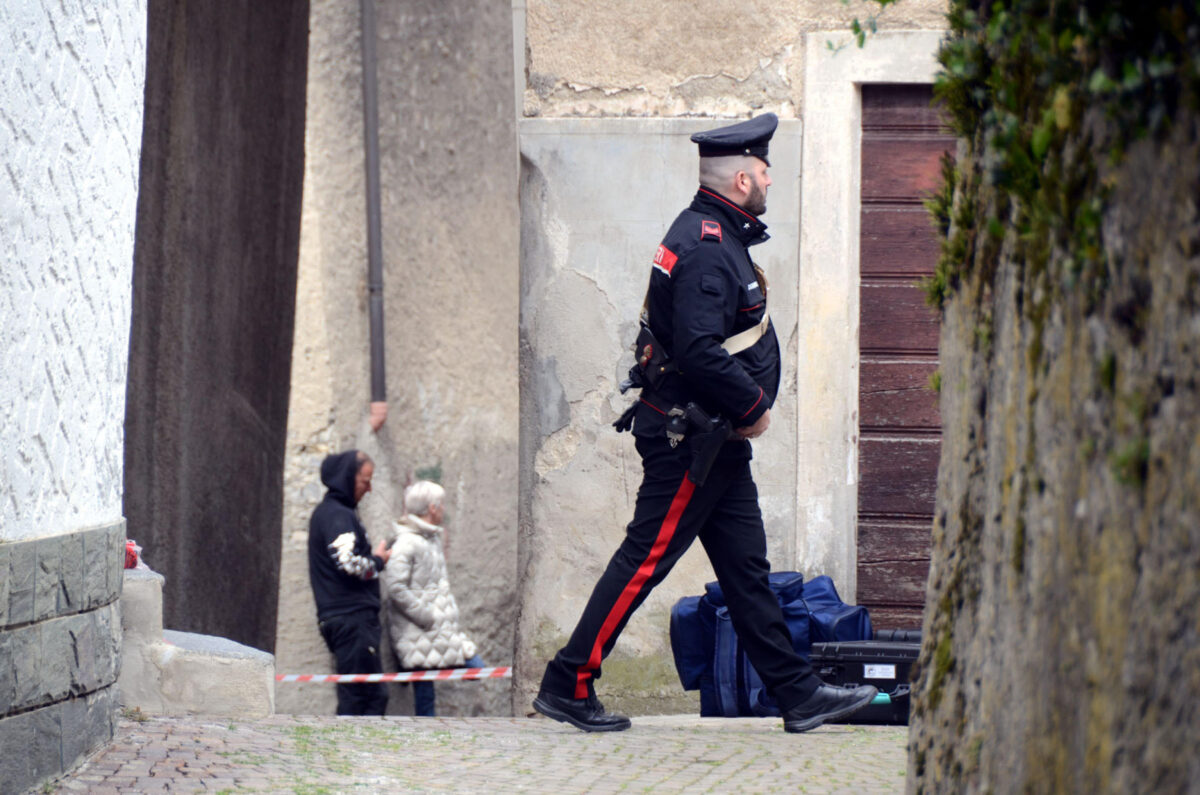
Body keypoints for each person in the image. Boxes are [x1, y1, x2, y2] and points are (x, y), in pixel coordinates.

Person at [532, 114, 877, 733]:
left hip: (713, 442)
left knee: (746, 573)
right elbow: (697, 348)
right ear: (742, 177)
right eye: (766, 172)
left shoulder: (713, 236)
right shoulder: (709, 248)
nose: (771, 181)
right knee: (644, 560)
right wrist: (755, 409)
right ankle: (568, 682)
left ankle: (797, 696)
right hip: (690, 440)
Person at [382, 480, 483, 716]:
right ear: (432, 508)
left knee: (477, 669)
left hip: (440, 631)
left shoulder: (431, 539)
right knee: (425, 698)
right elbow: (396, 587)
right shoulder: (407, 542)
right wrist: (426, 616)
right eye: (442, 505)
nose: (444, 509)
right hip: (419, 631)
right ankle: (424, 746)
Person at [308, 449, 391, 715]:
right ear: (347, 478)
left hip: (346, 619)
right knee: (365, 697)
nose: (369, 489)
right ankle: (352, 754)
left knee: (361, 695)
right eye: (365, 481)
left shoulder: (335, 513)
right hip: (351, 620)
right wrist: (378, 561)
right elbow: (349, 563)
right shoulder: (337, 515)